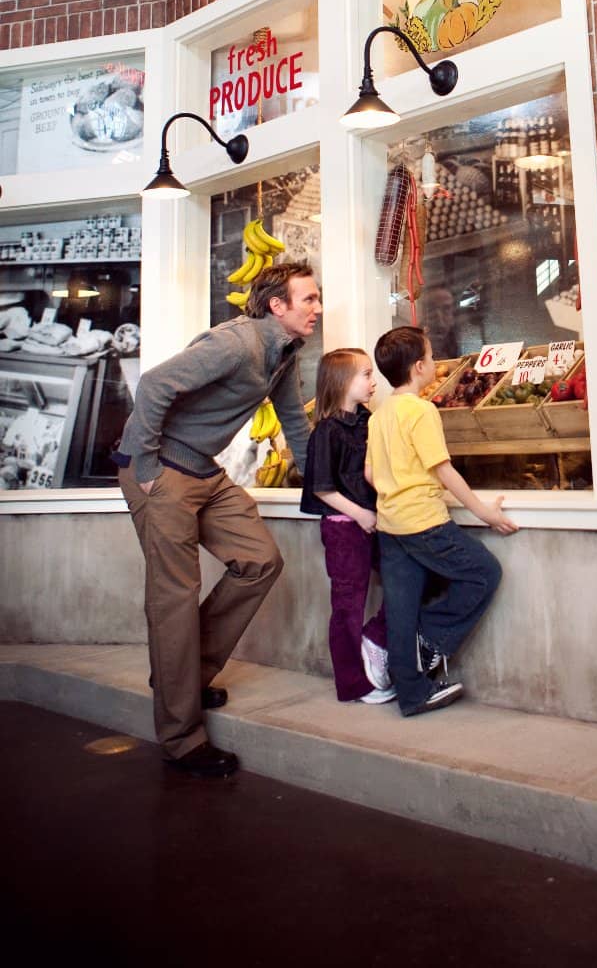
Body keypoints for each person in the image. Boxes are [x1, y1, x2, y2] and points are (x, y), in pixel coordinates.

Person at [115, 261, 321, 778]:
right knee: (175, 597)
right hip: (161, 470)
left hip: (203, 471)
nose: (318, 308)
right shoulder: (237, 344)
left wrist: (326, 487)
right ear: (278, 305)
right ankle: (183, 739)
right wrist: (142, 467)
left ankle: (183, 679)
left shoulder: (283, 356)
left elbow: (295, 421)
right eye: (310, 299)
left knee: (260, 561)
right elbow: (155, 384)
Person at [365, 325, 518, 717]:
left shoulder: (379, 415)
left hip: (390, 524)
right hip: (424, 521)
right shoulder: (421, 410)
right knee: (484, 572)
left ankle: (412, 694)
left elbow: (370, 473)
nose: (435, 363)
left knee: (400, 607)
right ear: (419, 367)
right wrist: (483, 511)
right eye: (431, 357)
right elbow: (443, 469)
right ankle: (430, 638)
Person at [299, 348, 394, 705]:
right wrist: (361, 514)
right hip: (344, 528)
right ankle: (353, 683)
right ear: (342, 381)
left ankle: (376, 640)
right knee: (348, 604)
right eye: (366, 375)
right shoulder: (327, 431)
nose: (373, 382)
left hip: (375, 521)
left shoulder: (367, 422)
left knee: (404, 582)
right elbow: (322, 488)